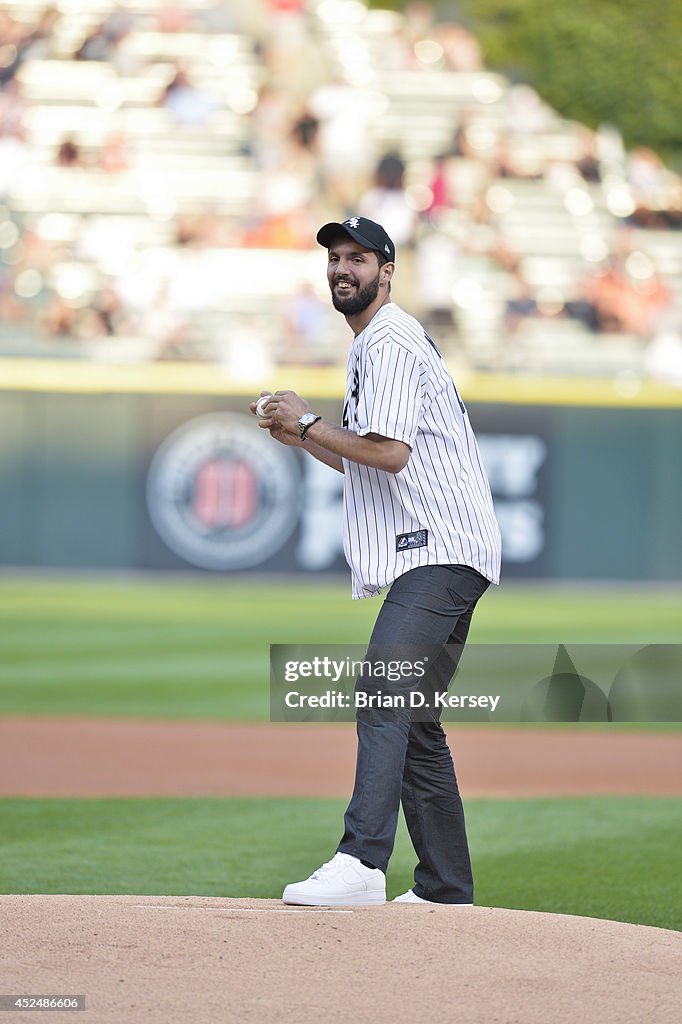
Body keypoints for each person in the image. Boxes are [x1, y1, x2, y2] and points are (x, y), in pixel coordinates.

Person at [251, 217, 501, 906]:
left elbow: (390, 452)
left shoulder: (386, 339)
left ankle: (362, 861)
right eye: (334, 258)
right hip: (450, 545)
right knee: (415, 719)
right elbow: (367, 458)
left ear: (386, 271)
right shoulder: (375, 344)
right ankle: (445, 884)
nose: (342, 269)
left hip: (439, 545)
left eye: (357, 258)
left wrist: (306, 422)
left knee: (383, 688)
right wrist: (300, 438)